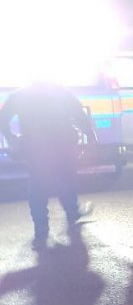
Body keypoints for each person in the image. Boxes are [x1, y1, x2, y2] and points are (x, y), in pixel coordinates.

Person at [0, 80, 96, 246]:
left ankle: (41, 230)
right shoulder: (61, 92)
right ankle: (72, 213)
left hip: (35, 147)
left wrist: (12, 138)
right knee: (66, 179)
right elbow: (80, 116)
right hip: (62, 145)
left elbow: (3, 119)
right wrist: (91, 138)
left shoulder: (20, 95)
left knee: (38, 185)